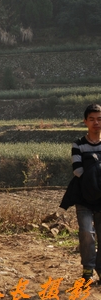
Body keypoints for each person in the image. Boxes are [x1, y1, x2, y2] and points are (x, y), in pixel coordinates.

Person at [61, 103, 101, 284]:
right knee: (86, 232)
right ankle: (87, 270)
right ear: (85, 121)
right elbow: (77, 170)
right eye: (92, 119)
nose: (96, 123)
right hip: (84, 197)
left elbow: (84, 170)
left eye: (99, 119)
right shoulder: (78, 144)